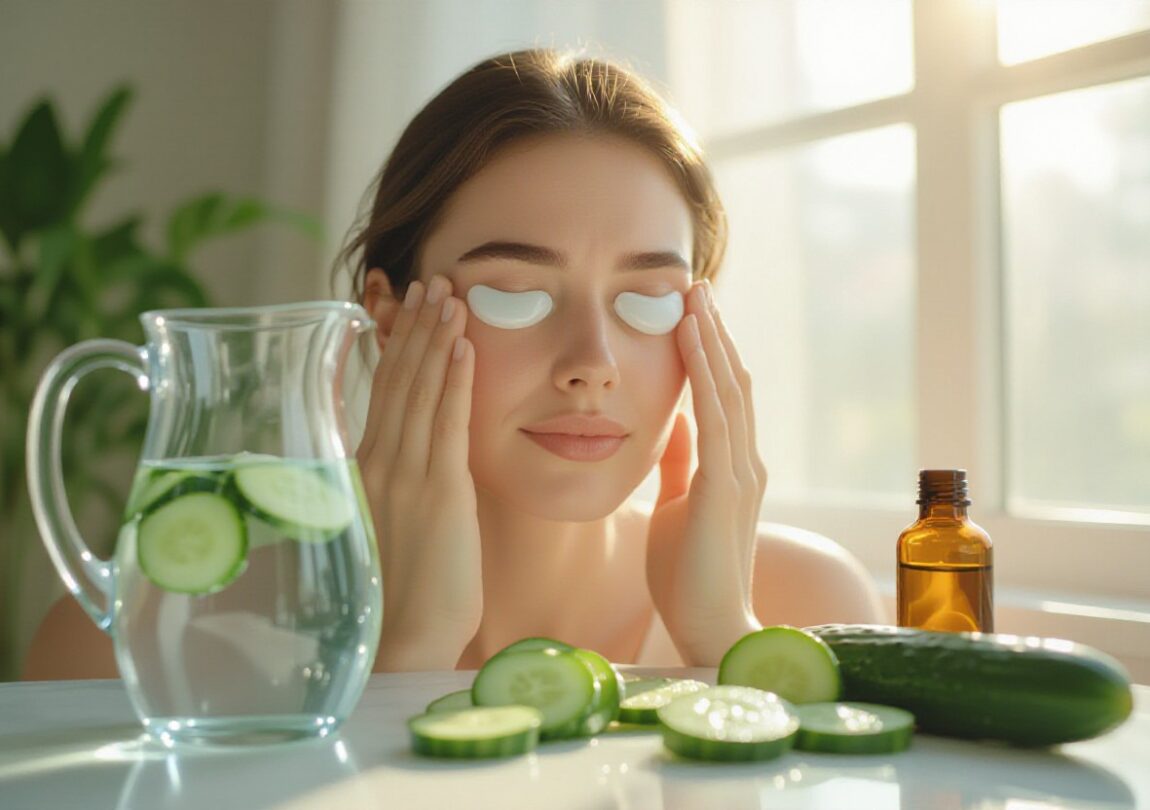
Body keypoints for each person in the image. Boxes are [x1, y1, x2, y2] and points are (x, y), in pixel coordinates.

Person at [23, 48, 882, 680]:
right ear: (388, 320)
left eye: (649, 301)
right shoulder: (139, 640)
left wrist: (722, 649)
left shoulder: (809, 608)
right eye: (515, 294)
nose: (593, 362)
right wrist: (405, 657)